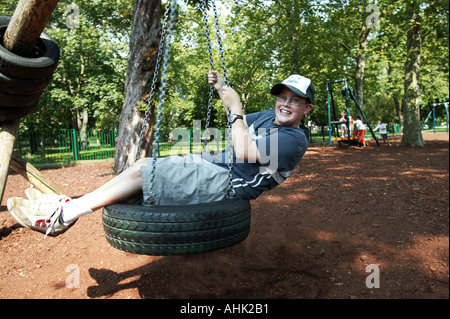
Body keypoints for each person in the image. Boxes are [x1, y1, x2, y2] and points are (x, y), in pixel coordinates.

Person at [7, 71, 315, 237]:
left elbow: (244, 149)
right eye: (282, 97)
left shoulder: (293, 139)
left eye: (295, 101)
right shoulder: (266, 116)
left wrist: (235, 108)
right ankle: (67, 206)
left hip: (227, 184)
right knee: (143, 163)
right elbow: (235, 117)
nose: (285, 104)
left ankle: (60, 217)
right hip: (214, 166)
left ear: (307, 108)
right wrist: (223, 88)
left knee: (145, 175)